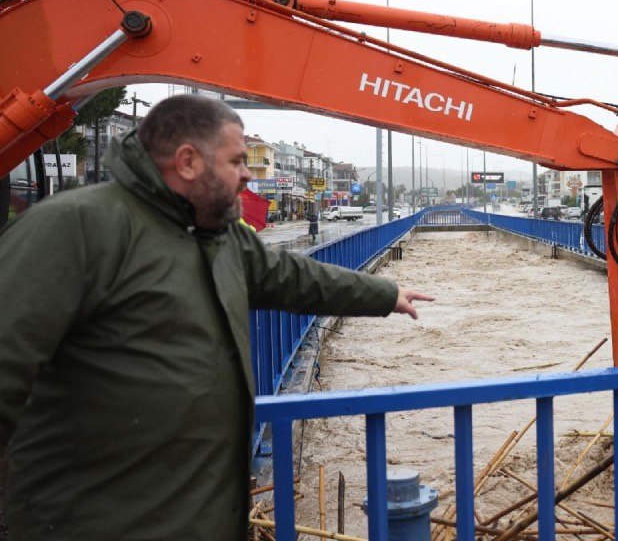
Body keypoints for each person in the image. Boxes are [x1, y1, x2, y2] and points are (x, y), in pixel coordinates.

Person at [0, 94, 434, 540]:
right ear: (188, 161)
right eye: (237, 161)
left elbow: (295, 278)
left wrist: (385, 293)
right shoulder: (76, 227)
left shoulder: (216, 237)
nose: (248, 174)